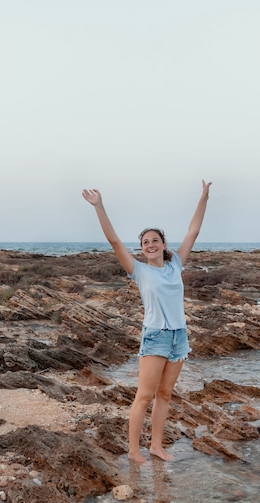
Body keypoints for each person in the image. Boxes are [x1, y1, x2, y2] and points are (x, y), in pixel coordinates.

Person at [82, 180, 212, 463]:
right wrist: (99, 207)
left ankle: (156, 446)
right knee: (144, 396)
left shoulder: (176, 263)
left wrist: (204, 196)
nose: (150, 244)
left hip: (180, 337)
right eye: (145, 242)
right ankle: (132, 450)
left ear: (164, 245)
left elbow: (194, 231)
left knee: (164, 395)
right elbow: (114, 241)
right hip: (155, 335)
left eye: (155, 240)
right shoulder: (138, 270)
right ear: (141, 250)